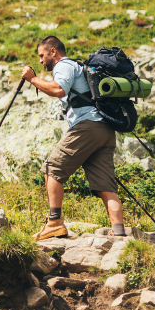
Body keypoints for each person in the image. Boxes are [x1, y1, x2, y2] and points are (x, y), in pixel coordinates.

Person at [23, 35, 126, 241]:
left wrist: (32, 79)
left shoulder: (64, 65)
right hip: (105, 129)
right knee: (106, 186)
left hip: (88, 125)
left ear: (53, 51)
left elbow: (59, 89)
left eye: (42, 56)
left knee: (52, 168)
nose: (41, 61)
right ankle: (120, 235)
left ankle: (54, 223)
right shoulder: (76, 67)